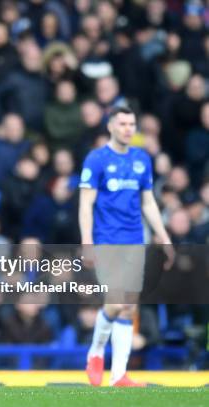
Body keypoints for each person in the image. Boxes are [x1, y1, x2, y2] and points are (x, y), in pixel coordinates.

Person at [79, 107, 172, 387]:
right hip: (107, 239)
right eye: (123, 123)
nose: (128, 128)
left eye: (132, 124)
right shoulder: (96, 159)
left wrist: (163, 235)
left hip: (135, 240)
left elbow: (148, 202)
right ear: (110, 126)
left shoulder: (142, 159)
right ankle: (95, 353)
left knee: (129, 307)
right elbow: (86, 203)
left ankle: (119, 374)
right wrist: (87, 241)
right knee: (116, 302)